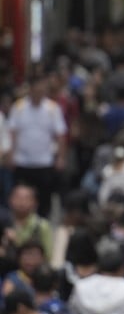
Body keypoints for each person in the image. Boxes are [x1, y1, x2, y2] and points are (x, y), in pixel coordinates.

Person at [5, 74, 67, 219]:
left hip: (44, 161)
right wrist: (11, 155)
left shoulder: (52, 108)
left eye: (42, 91)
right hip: (23, 161)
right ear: (30, 90)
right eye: (36, 90)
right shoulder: (19, 107)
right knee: (21, 198)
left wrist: (61, 157)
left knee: (44, 200)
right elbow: (13, 132)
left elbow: (60, 134)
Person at [2, 184, 54, 262]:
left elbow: (48, 256)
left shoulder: (42, 225)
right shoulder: (2, 222)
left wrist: (16, 241)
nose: (21, 202)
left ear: (35, 203)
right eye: (18, 197)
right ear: (10, 200)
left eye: (26, 198)